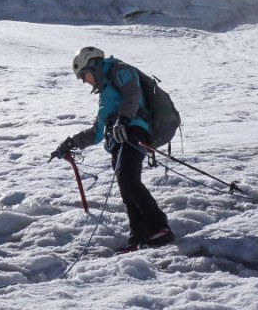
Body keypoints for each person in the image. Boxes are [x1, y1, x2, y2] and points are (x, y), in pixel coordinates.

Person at [51, 46, 175, 248]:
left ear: (92, 64)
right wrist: (71, 142)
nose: (84, 81)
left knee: (128, 180)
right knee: (127, 188)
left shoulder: (118, 69)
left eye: (83, 75)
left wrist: (123, 119)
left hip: (133, 133)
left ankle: (159, 227)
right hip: (118, 141)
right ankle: (138, 235)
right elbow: (97, 132)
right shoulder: (105, 95)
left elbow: (132, 93)